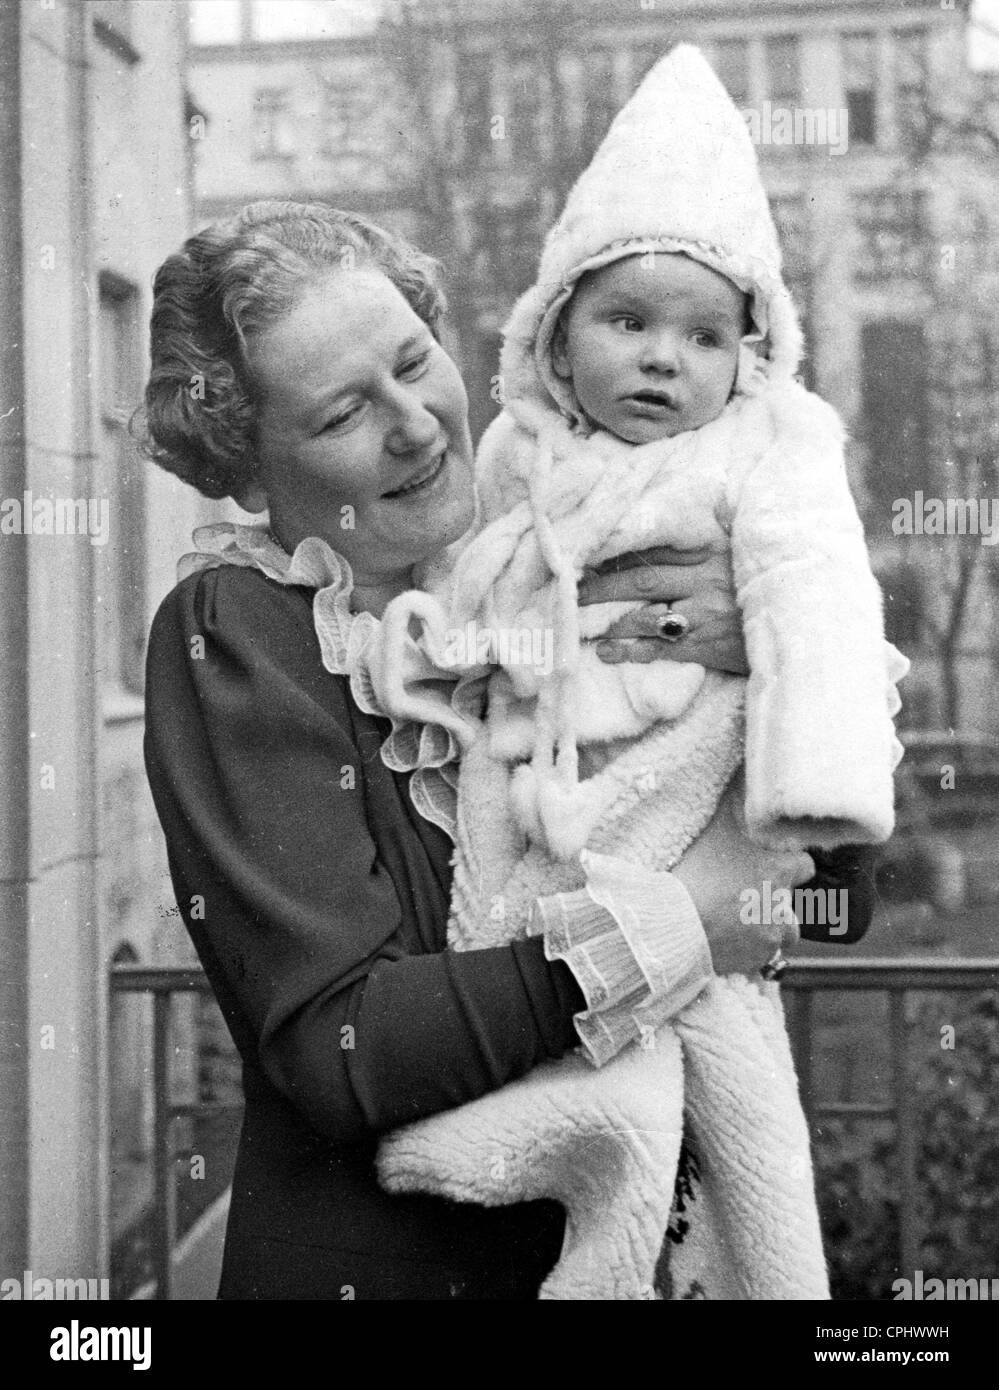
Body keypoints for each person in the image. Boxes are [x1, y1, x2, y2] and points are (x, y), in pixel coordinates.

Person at [141, 199, 841, 1301]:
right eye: (341, 416)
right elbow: (343, 1044)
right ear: (249, 470)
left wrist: (771, 657)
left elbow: (827, 874)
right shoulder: (238, 634)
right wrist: (670, 932)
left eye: (415, 362)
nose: (415, 423)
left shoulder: (546, 549)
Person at [366, 46, 908, 1299]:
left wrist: (804, 765)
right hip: (543, 823)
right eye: (628, 321)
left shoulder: (770, 450)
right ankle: (515, 1158)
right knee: (533, 969)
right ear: (558, 339)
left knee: (736, 1097)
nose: (665, 358)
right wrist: (450, 664)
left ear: (749, 350)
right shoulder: (515, 460)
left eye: (703, 332)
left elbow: (818, 608)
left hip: (706, 824)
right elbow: (476, 609)